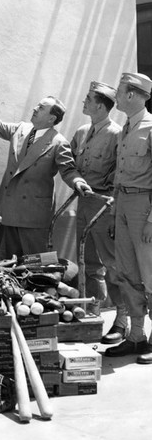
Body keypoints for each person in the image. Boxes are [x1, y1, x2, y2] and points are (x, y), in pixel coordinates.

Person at [0, 84, 92, 257]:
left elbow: (68, 170)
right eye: (37, 105)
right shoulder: (21, 129)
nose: (35, 109)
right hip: (11, 209)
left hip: (34, 214)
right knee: (11, 262)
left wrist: (78, 182)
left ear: (51, 118)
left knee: (36, 262)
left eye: (41, 107)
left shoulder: (58, 142)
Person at [70, 81, 127, 334]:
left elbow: (122, 172)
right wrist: (75, 180)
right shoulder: (82, 132)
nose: (84, 102)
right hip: (83, 205)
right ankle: (93, 316)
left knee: (113, 264)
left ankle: (123, 320)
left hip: (105, 206)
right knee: (88, 263)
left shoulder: (117, 134)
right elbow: (69, 165)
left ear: (101, 106)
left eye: (88, 99)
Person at [105, 72, 152, 362]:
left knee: (151, 274)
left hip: (144, 208)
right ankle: (136, 337)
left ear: (132, 95)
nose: (116, 98)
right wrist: (114, 213)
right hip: (123, 204)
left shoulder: (150, 128)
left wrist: (151, 220)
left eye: (119, 93)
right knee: (128, 273)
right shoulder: (126, 128)